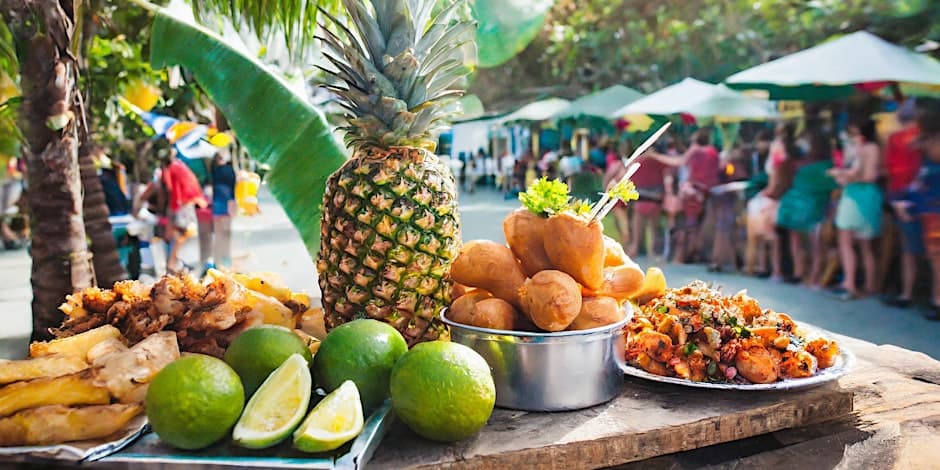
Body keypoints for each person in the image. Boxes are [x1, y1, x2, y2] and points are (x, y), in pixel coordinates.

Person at [894, 103, 940, 320]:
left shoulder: (932, 146)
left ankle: (937, 301)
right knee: (915, 252)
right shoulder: (925, 148)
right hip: (920, 208)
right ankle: (911, 294)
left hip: (933, 212)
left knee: (936, 257)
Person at [776, 130, 838, 288]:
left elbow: (829, 187)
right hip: (798, 208)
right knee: (803, 242)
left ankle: (813, 276)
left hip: (813, 209)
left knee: (813, 245)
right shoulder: (804, 162)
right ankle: (800, 273)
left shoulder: (825, 165)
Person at [829, 119, 882, 300]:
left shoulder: (866, 148)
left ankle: (849, 284)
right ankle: (869, 285)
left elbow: (867, 175)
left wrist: (842, 174)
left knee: (846, 242)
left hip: (856, 196)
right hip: (868, 195)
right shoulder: (873, 147)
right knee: (866, 244)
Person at [649, 128, 720, 264]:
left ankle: (681, 257)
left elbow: (679, 161)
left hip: (691, 194)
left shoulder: (695, 150)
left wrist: (656, 156)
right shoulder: (713, 152)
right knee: (697, 226)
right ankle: (694, 255)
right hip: (708, 193)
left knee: (685, 226)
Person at [883, 100, 923, 307]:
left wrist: (894, 200)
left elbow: (890, 170)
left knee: (907, 249)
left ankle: (906, 294)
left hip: (902, 198)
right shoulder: (925, 139)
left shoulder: (895, 138)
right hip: (924, 198)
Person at [745, 123, 797, 280]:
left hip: (773, 198)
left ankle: (769, 269)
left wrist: (765, 193)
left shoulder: (777, 149)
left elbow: (775, 182)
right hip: (785, 196)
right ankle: (767, 268)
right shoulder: (792, 151)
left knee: (765, 235)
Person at [161, 149, 208, 273]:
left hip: (180, 204)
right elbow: (186, 185)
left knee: (181, 234)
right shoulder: (177, 166)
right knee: (182, 233)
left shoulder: (171, 168)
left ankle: (173, 262)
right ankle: (172, 262)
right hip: (183, 204)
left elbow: (174, 188)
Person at [628, 151, 667, 259]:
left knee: (636, 233)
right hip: (655, 198)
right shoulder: (659, 159)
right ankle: (652, 253)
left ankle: (633, 251)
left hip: (641, 198)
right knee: (653, 229)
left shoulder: (637, 160)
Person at [210, 152, 237, 270]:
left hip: (216, 204)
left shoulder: (212, 171)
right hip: (226, 203)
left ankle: (217, 261)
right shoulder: (229, 169)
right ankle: (225, 260)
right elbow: (234, 187)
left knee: (218, 234)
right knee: (226, 234)